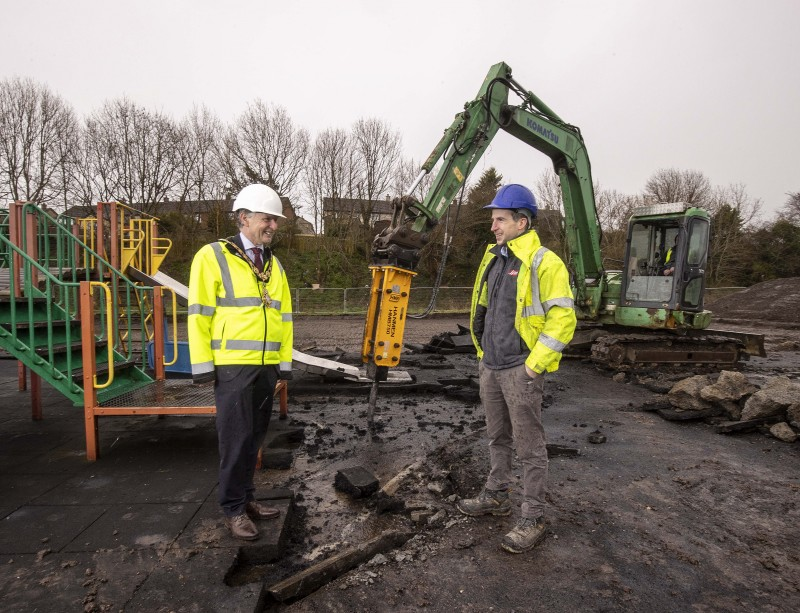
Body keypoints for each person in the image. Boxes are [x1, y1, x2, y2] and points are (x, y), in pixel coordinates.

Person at [456, 184, 577, 554]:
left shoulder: (544, 262)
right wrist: (482, 355)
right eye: (493, 220)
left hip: (519, 370)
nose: (493, 226)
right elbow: (483, 310)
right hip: (491, 365)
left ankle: (534, 516)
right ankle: (496, 496)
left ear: (522, 222)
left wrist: (533, 366)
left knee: (529, 446)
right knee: (497, 438)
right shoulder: (494, 259)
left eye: (500, 219)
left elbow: (563, 319)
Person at [188, 184, 293, 541]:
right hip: (232, 365)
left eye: (275, 221)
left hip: (265, 366)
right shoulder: (213, 256)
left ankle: (247, 499)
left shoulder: (272, 263)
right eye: (267, 219)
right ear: (243, 218)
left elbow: (285, 317)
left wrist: (284, 364)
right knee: (235, 440)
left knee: (254, 438)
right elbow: (198, 314)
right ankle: (233, 509)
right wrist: (201, 365)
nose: (273, 226)